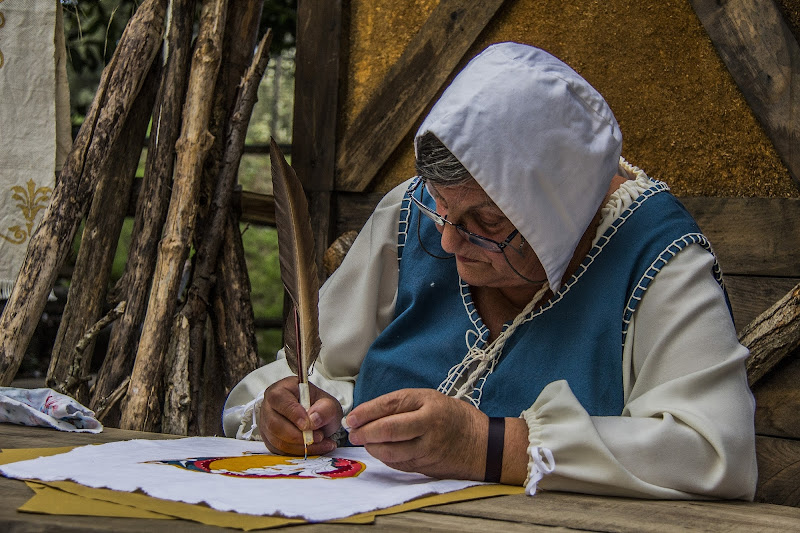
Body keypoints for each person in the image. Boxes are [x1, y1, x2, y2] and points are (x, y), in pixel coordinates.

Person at [223, 42, 758, 499]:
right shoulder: (413, 216)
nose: (450, 239)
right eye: (442, 210)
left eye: (487, 220)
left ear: (556, 212)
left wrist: (488, 445)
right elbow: (312, 372)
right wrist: (295, 414)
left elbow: (713, 451)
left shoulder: (655, 253)